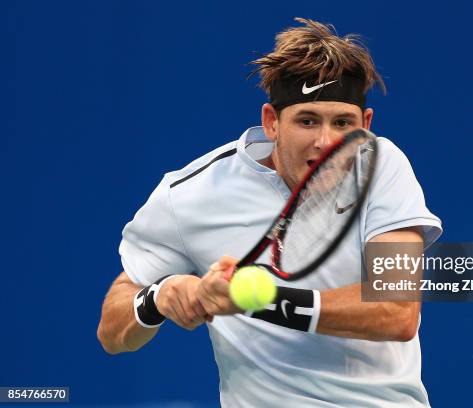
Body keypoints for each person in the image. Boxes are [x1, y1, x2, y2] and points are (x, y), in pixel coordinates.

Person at [97, 17, 442, 407]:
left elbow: (395, 310)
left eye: (342, 123)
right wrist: (159, 297)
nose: (325, 142)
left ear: (365, 126)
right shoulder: (190, 194)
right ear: (271, 123)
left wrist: (257, 299)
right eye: (307, 121)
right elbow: (113, 333)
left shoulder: (382, 166)